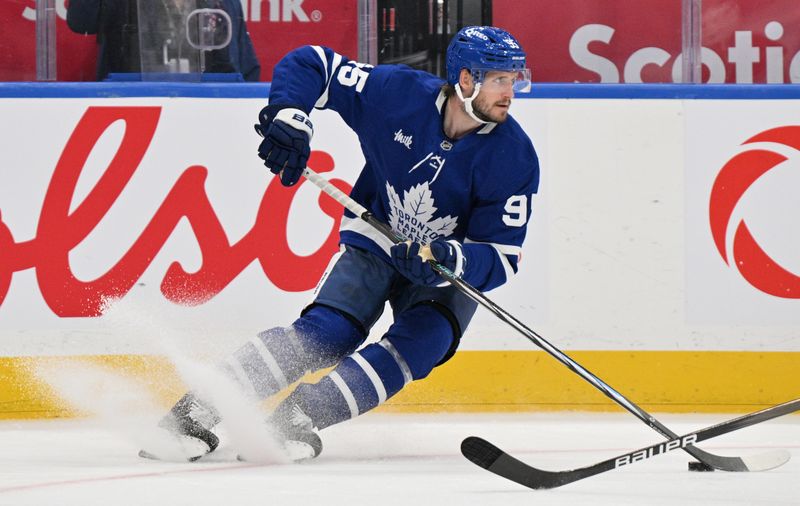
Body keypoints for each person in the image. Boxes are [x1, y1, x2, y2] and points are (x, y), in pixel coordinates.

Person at [140, 25, 540, 462]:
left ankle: (297, 419)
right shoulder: (397, 94)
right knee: (327, 334)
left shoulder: (514, 155)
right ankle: (194, 411)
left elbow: (501, 256)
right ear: (466, 79)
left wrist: (450, 258)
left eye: (515, 79)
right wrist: (289, 114)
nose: (511, 92)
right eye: (500, 79)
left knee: (424, 342)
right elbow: (313, 62)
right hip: (377, 235)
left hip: (444, 268)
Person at [66, 0, 260, 81]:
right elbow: (81, 21)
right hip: (133, 110)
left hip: (207, 118)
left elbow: (245, 71)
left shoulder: (221, 3)